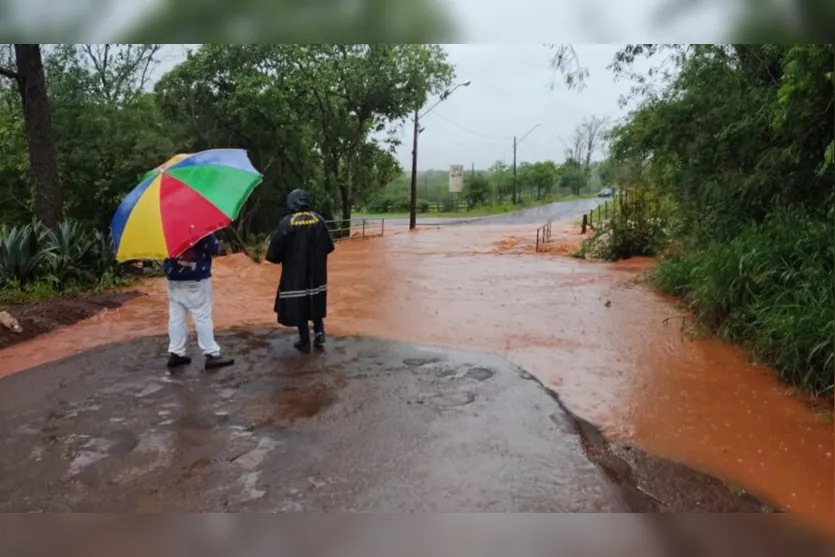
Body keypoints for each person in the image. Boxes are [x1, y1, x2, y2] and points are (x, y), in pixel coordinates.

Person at [266, 189, 335, 352]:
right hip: (317, 274)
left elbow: (273, 255)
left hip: (294, 276)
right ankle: (319, 334)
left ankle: (304, 341)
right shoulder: (319, 220)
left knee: (299, 304)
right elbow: (329, 247)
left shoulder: (286, 222)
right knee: (315, 300)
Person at [163, 232, 234, 371]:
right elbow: (214, 248)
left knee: (176, 317)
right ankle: (212, 354)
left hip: (174, 278)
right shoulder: (198, 226)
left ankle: (176, 352)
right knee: (202, 316)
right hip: (196, 278)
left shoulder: (166, 228)